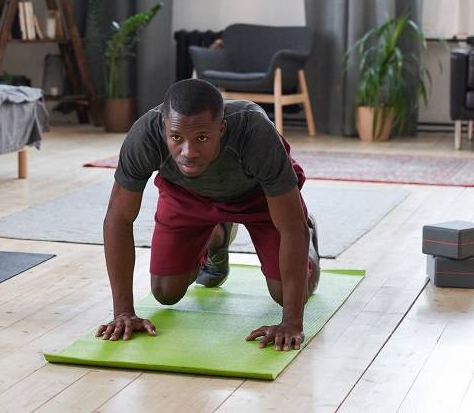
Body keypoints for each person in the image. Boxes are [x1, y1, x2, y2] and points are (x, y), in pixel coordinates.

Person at [97, 78, 320, 351]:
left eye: (202, 137)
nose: (188, 152)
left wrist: (291, 322)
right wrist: (123, 312)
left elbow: (291, 229)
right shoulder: (144, 136)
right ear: (164, 128)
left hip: (259, 197)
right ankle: (217, 236)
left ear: (222, 129)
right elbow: (118, 219)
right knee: (165, 293)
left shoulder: (256, 132)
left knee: (286, 295)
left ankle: (312, 249)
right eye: (176, 138)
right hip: (186, 196)